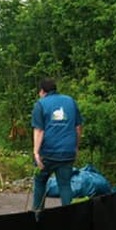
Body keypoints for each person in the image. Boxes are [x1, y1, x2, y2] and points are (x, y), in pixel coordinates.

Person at [31, 78, 83, 210]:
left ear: (42, 91)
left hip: (47, 153)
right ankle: (69, 219)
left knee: (40, 182)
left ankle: (37, 216)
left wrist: (36, 153)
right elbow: (78, 128)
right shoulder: (70, 101)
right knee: (65, 185)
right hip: (67, 152)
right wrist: (76, 147)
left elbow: (39, 130)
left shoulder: (41, 104)